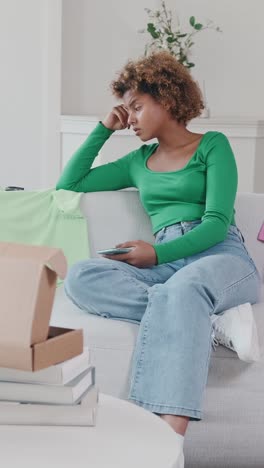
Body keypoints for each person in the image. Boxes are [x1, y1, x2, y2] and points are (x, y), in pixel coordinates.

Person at [56, 51, 261, 439]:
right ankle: (206, 315)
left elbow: (217, 224)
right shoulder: (137, 161)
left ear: (165, 99)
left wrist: (156, 253)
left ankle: (163, 439)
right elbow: (70, 184)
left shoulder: (212, 146)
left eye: (136, 106)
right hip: (169, 269)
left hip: (221, 257)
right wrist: (104, 128)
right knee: (81, 276)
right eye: (126, 110)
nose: (129, 117)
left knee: (184, 288)